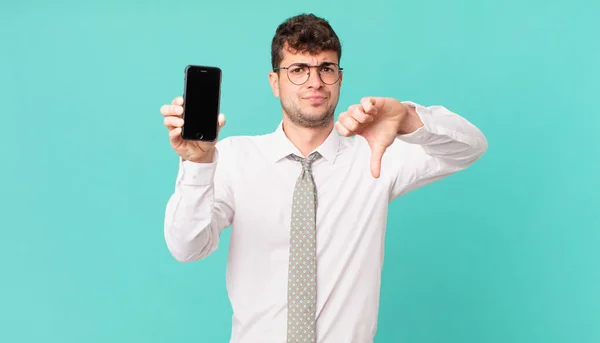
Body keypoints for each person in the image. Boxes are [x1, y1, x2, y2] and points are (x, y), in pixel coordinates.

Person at [160, 13, 487, 343]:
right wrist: (199, 164)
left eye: (325, 69)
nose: (314, 82)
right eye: (299, 70)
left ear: (339, 79)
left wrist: (407, 118)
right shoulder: (233, 158)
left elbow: (470, 147)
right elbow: (188, 247)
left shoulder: (374, 154)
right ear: (275, 82)